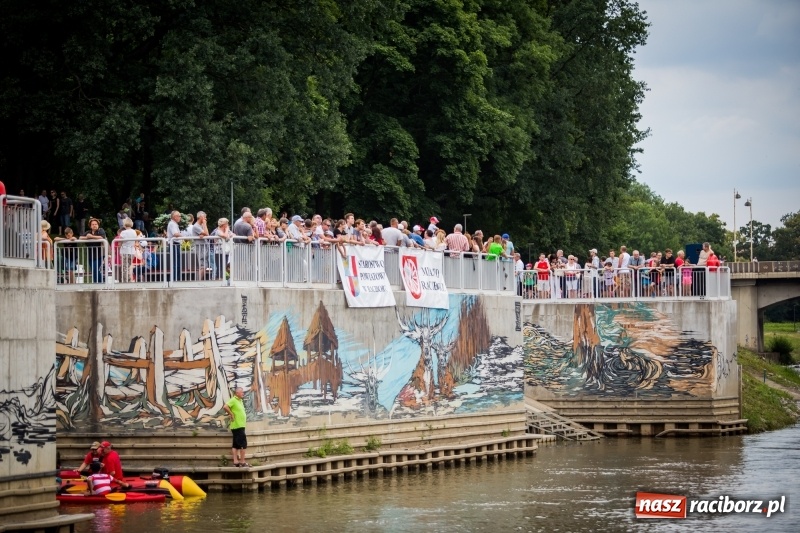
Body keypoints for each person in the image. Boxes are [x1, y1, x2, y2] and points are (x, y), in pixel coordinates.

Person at [223, 387, 249, 467]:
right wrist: (231, 414)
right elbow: (225, 406)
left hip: (239, 425)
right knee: (243, 444)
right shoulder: (233, 400)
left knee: (235, 445)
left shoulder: (240, 400)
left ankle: (236, 462)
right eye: (241, 392)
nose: (243, 393)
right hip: (237, 426)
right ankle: (242, 461)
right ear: (237, 393)